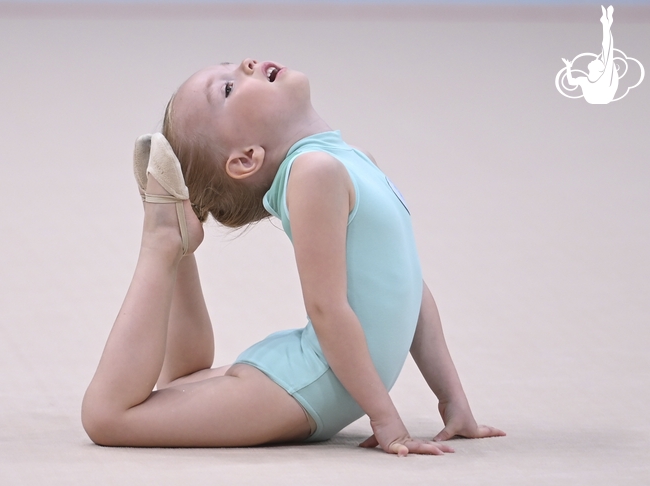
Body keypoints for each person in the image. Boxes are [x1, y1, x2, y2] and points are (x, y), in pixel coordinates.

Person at [81, 59, 505, 456]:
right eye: (227, 88)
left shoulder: (353, 162)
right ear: (247, 158)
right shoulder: (313, 173)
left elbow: (410, 289)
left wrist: (452, 401)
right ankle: (163, 240)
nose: (245, 64)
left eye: (232, 65)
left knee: (182, 385)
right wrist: (385, 418)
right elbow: (326, 309)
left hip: (302, 375)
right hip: (299, 388)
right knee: (108, 418)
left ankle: (178, 235)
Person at [562, 5, 618, 104]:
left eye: (597, 61)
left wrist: (606, 25)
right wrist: (568, 67)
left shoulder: (604, 77)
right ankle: (606, 23)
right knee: (607, 51)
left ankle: (606, 23)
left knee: (607, 50)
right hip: (598, 98)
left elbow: (607, 49)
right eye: (598, 60)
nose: (594, 59)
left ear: (599, 69)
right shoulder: (585, 80)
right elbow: (571, 82)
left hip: (603, 96)